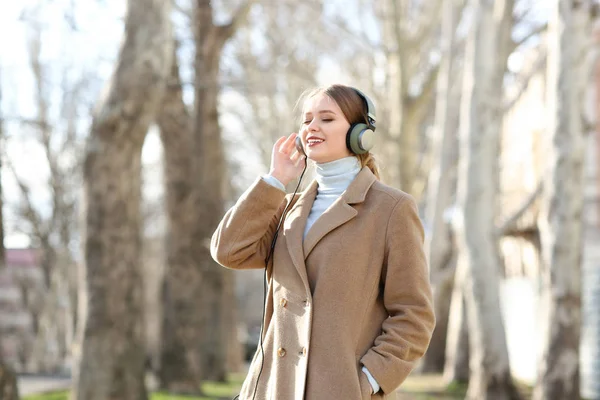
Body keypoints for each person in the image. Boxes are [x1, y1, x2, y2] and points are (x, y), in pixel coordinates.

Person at [210, 84, 435, 400]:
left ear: (360, 133)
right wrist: (275, 180)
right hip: (274, 389)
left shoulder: (391, 209)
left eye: (327, 118)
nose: (312, 127)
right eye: (307, 120)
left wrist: (368, 380)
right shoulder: (287, 206)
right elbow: (227, 250)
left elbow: (414, 313)